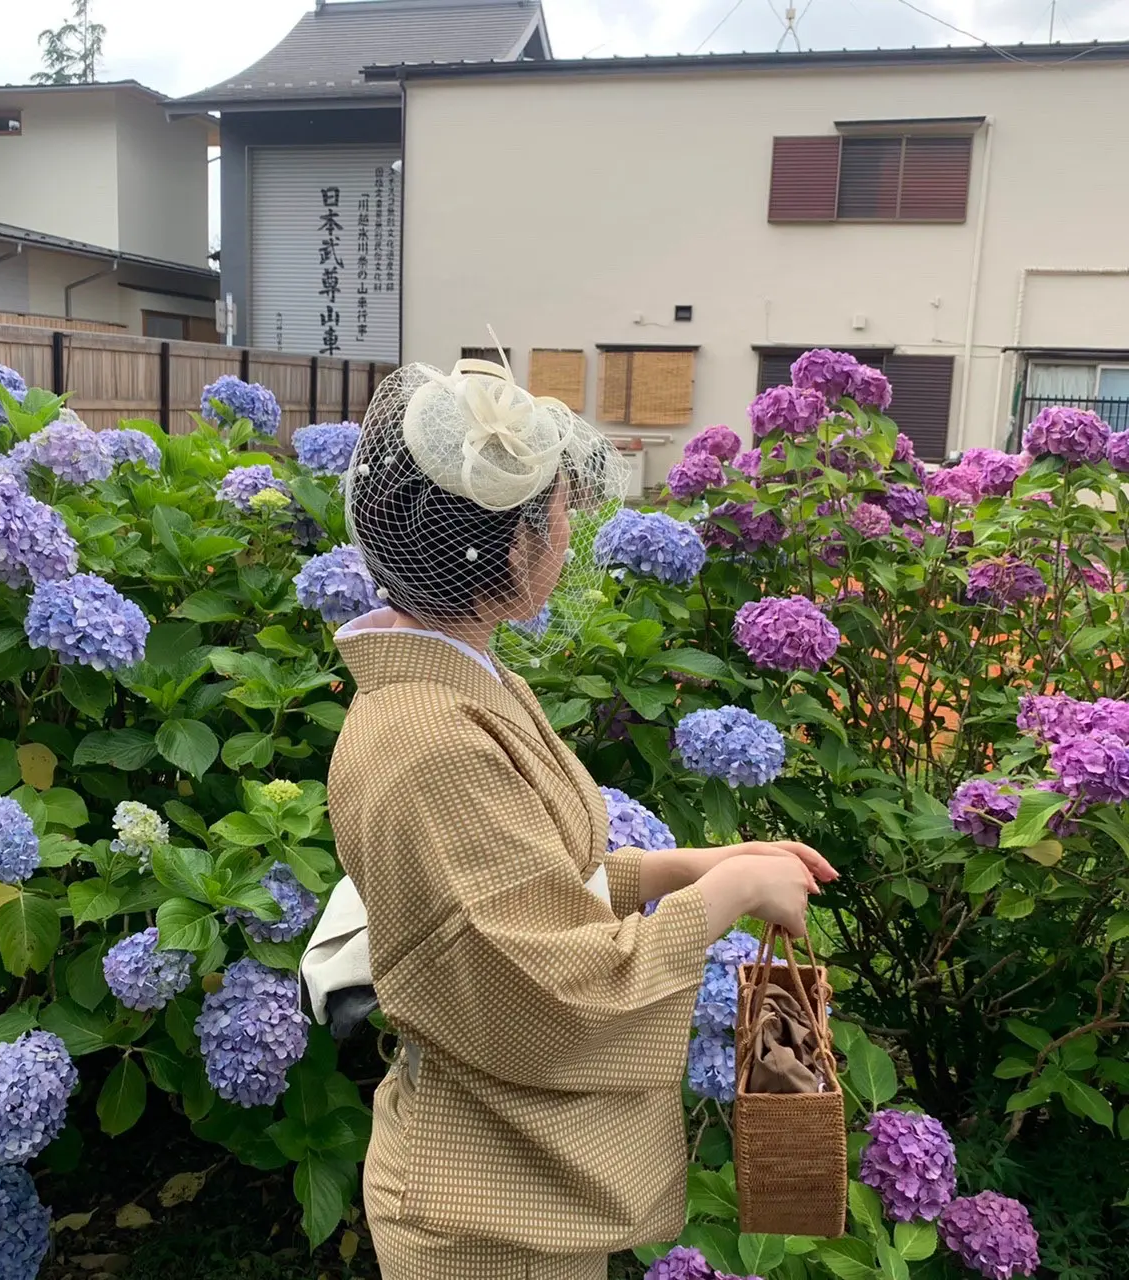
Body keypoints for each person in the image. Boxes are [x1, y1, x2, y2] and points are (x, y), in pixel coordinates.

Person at [326, 357, 836, 1280]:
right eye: (557, 513)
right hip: (490, 1218)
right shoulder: (432, 739)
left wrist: (693, 866)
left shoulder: (457, 681)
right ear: (511, 547)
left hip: (514, 1174)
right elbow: (552, 988)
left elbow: (523, 891)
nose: (567, 534)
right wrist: (727, 894)